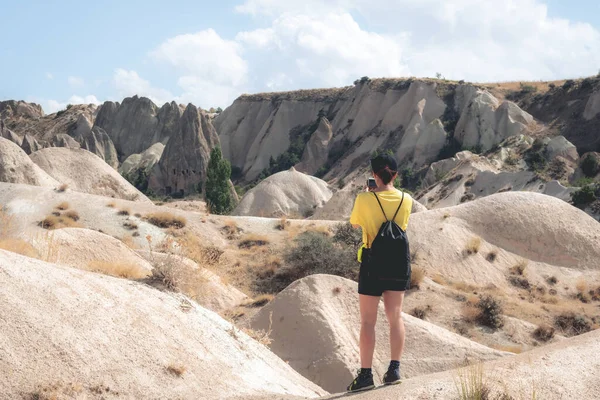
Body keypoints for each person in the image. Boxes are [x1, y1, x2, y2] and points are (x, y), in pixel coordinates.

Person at [346, 153, 413, 392]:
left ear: (374, 175)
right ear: (395, 174)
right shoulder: (407, 199)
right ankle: (394, 370)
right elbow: (402, 225)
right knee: (395, 317)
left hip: (372, 262)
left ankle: (365, 376)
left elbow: (355, 224)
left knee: (368, 321)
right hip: (397, 263)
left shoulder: (364, 199)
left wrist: (369, 195)